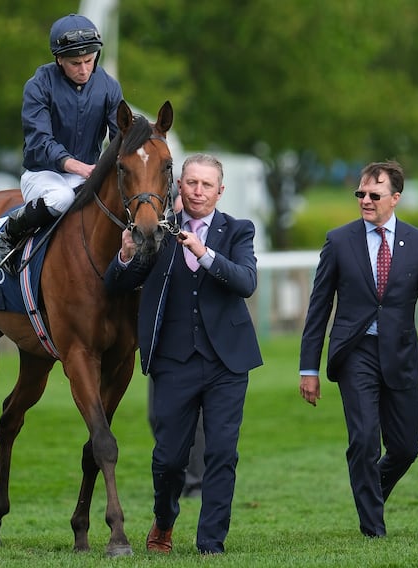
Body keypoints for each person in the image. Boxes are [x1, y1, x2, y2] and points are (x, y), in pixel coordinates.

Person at [105, 153, 263, 555]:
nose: (197, 191)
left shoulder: (238, 230)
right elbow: (117, 284)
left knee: (222, 452)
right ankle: (164, 520)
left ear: (219, 191)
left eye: (206, 184)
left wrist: (205, 254)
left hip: (228, 361)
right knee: (169, 459)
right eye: (191, 182)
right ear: (179, 185)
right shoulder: (158, 231)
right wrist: (124, 256)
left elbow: (246, 282)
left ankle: (211, 542)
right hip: (174, 362)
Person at [298, 160, 418, 538]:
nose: (366, 200)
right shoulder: (338, 241)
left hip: (401, 355)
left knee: (406, 447)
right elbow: (319, 306)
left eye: (375, 195)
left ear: (395, 199)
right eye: (361, 194)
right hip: (354, 352)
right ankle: (373, 527)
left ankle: (369, 491)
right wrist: (308, 368)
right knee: (363, 438)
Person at [0, 13, 123, 270]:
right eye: (75, 63)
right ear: (59, 59)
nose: (84, 70)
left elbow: (119, 139)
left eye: (89, 60)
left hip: (86, 175)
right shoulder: (38, 85)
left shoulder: (109, 86)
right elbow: (40, 142)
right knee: (61, 198)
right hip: (43, 174)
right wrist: (79, 167)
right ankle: (8, 234)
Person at [145, 192, 205, 499]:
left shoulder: (212, 229)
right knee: (157, 415)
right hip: (164, 342)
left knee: (195, 418)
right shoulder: (159, 229)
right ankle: (176, 477)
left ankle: (194, 483)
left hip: (199, 342)